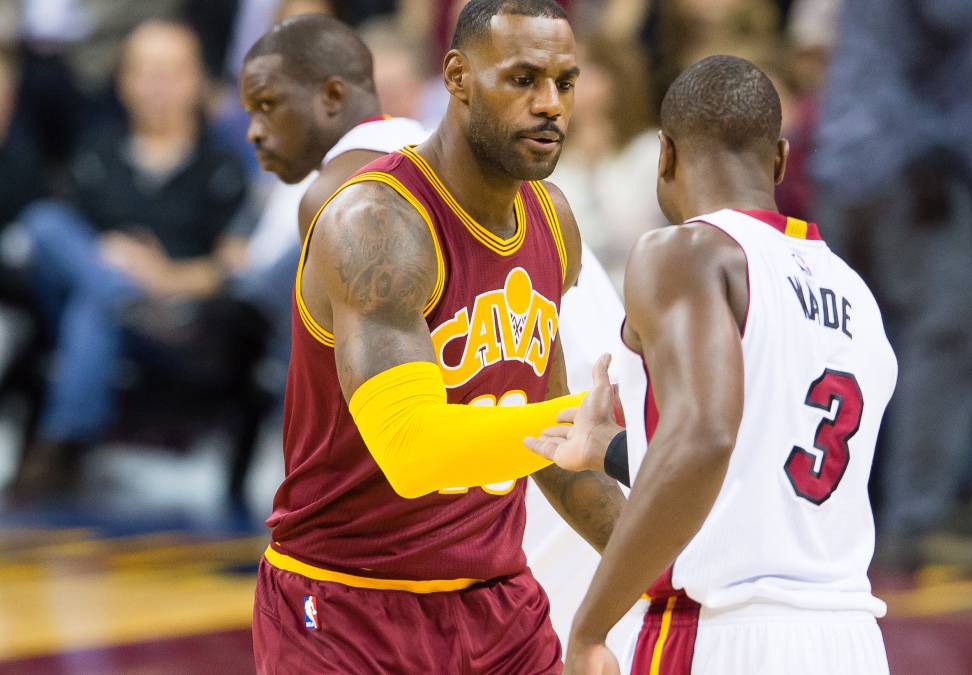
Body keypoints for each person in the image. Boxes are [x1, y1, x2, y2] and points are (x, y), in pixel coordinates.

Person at [243, 2, 625, 672]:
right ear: (457, 76)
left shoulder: (552, 219)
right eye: (524, 79)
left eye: (565, 83)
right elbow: (412, 450)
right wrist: (574, 425)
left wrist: (673, 574)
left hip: (499, 605)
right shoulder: (374, 221)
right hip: (347, 605)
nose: (550, 105)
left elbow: (557, 462)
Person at [526, 56, 896, 674]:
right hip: (850, 636)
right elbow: (758, 473)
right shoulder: (855, 292)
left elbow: (704, 438)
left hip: (724, 633)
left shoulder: (684, 253)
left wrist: (591, 626)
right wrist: (612, 446)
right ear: (778, 160)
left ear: (663, 155)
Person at [9, 20, 250, 497]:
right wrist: (109, 262)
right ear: (123, 82)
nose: (157, 86)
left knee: (93, 307)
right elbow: (61, 243)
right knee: (44, 223)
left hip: (173, 324)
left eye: (171, 72)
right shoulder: (95, 152)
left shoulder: (222, 166)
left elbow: (233, 268)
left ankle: (64, 442)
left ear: (198, 81)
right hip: (88, 311)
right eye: (145, 72)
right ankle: (117, 295)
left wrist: (163, 276)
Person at [811, 0, 972, 561]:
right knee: (945, 335)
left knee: (836, 344)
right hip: (913, 159)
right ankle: (919, 520)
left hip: (845, 152)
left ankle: (818, 512)